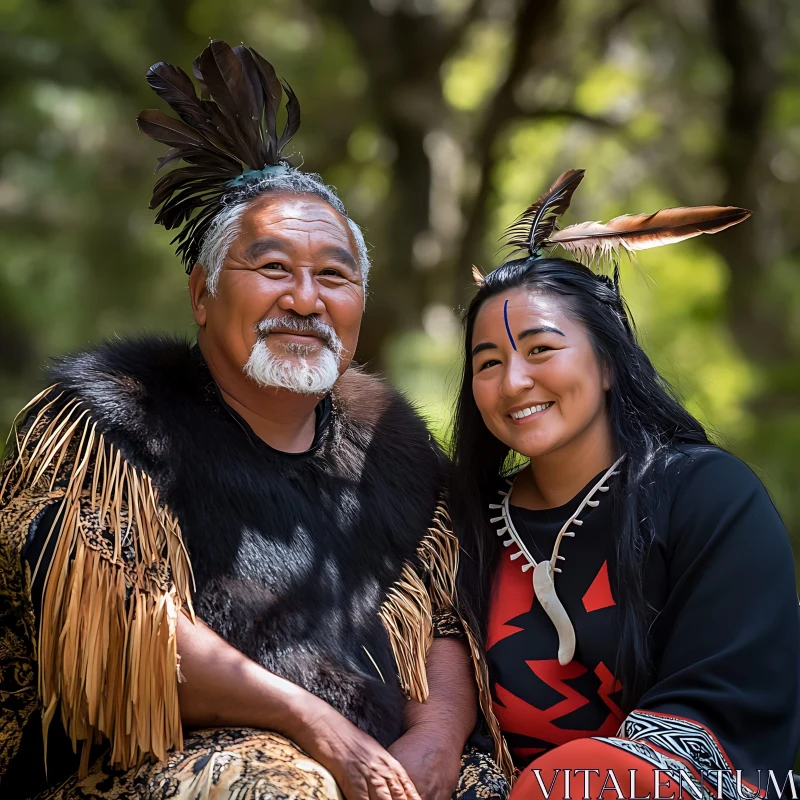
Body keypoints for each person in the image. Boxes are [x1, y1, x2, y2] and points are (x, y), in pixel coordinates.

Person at [0, 41, 512, 800]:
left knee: (485, 784)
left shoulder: (393, 451)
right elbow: (123, 633)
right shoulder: (108, 422)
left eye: (333, 276)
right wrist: (312, 724)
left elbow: (439, 622)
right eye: (272, 268)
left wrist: (433, 745)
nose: (305, 298)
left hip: (359, 758)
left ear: (358, 311)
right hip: (133, 767)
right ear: (203, 295)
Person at [449, 170, 800, 799]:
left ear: (608, 363)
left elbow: (722, 714)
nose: (513, 383)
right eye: (489, 363)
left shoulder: (709, 496)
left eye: (540, 349)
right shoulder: (459, 526)